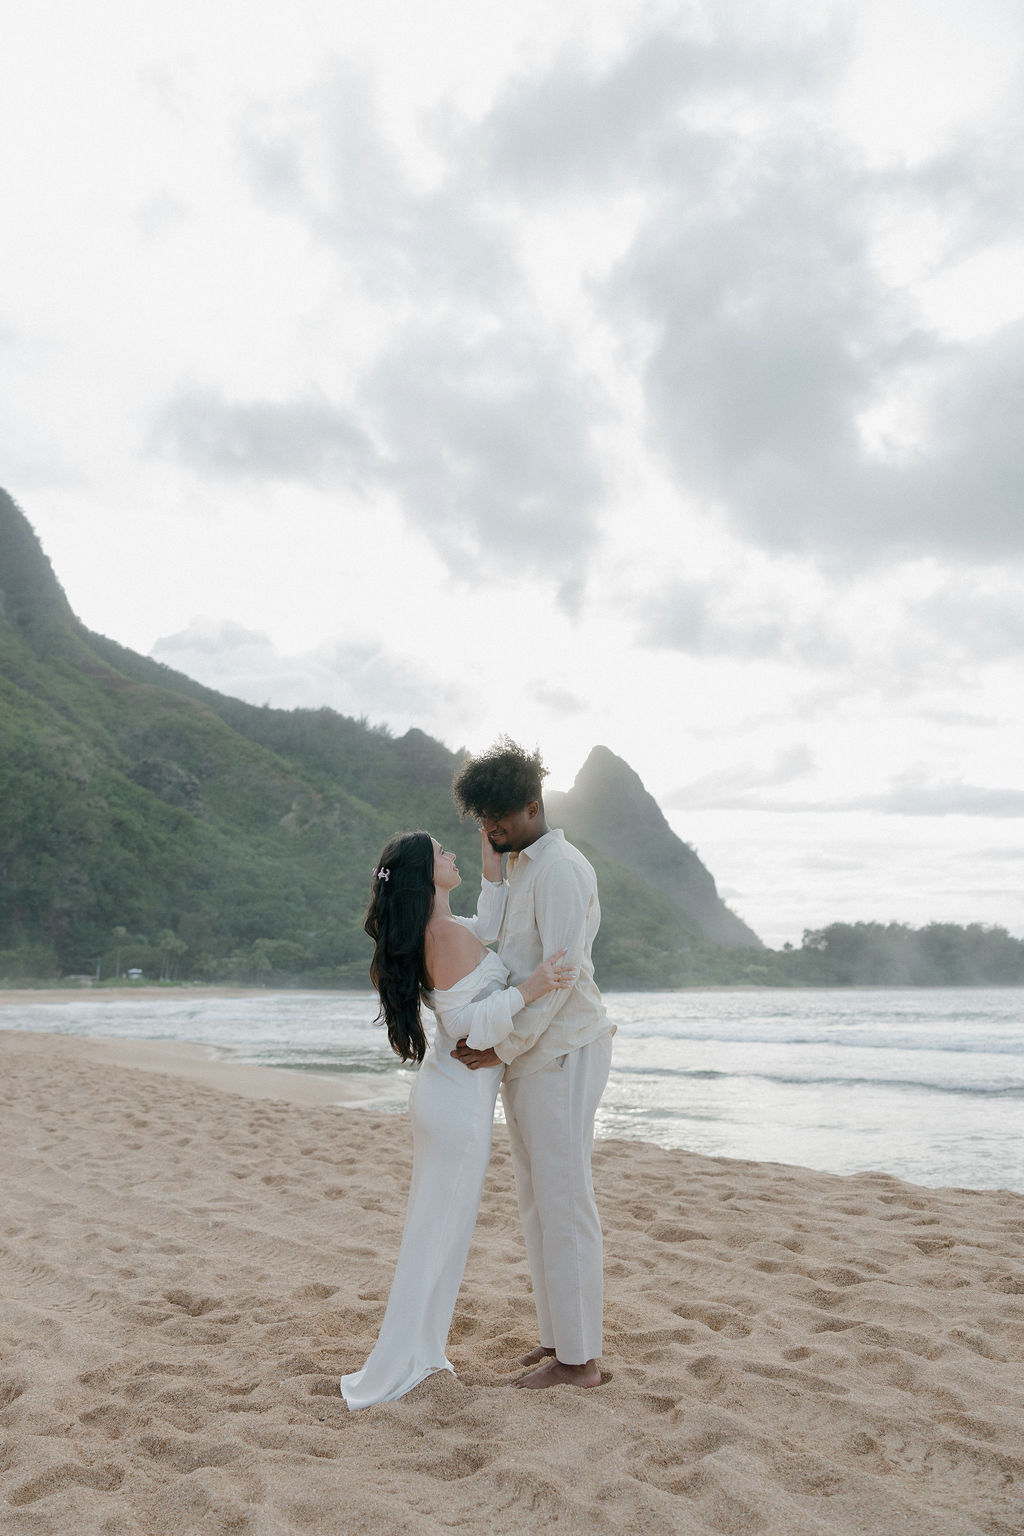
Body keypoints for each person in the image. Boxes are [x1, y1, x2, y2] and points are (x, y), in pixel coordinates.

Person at [340, 827, 573, 1410]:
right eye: (442, 852)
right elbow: (465, 1024)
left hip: (451, 1096)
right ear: (426, 874)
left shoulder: (446, 929)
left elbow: (487, 929)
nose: (452, 855)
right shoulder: (442, 934)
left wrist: (493, 867)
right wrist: (531, 989)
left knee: (440, 1232)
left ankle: (420, 1351)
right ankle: (406, 1362)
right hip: (457, 1104)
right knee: (437, 1234)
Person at [450, 738, 613, 1391]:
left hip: (563, 1048)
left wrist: (501, 1047)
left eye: (500, 819)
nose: (491, 830)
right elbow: (505, 949)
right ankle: (558, 1341)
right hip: (529, 1053)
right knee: (536, 1200)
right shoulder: (520, 865)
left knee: (565, 1199)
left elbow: (565, 978)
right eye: (482, 821)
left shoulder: (562, 869)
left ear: (532, 804)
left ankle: (581, 1362)